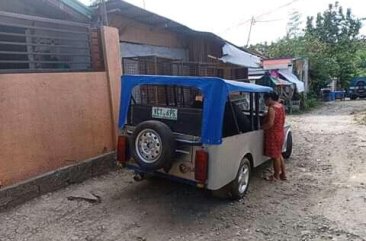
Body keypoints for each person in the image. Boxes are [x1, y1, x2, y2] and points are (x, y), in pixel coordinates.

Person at [262, 92, 287, 181]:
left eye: (265, 99)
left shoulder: (272, 108)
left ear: (269, 99)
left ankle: (276, 176)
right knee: (279, 154)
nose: (264, 101)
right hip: (280, 133)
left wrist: (261, 128)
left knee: (275, 156)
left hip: (273, 135)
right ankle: (283, 174)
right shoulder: (281, 106)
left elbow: (270, 123)